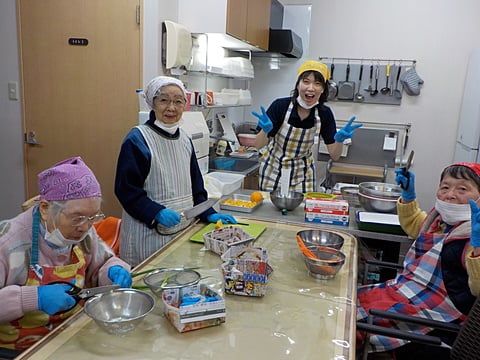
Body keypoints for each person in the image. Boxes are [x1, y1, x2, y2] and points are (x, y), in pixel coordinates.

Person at [0, 157, 132, 353]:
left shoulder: (85, 230)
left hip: (71, 335)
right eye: (77, 218)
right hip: (20, 350)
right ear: (45, 208)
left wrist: (113, 269)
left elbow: (101, 264)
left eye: (93, 216)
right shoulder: (8, 242)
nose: (86, 227)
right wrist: (32, 298)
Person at [357, 162, 480, 359]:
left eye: (462, 189)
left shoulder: (472, 235)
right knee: (344, 304)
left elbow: (477, 287)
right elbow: (415, 223)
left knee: (349, 323)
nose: (450, 194)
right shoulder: (438, 221)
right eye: (445, 187)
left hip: (432, 316)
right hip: (401, 292)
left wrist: (478, 247)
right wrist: (408, 197)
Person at [115, 76, 236, 267]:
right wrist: (156, 212)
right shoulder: (137, 140)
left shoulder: (185, 141)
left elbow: (197, 187)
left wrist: (208, 212)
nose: (171, 108)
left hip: (181, 232)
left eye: (178, 101)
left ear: (184, 106)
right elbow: (126, 190)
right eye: (164, 100)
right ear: (152, 103)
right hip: (147, 236)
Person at [251, 60, 363, 192]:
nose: (310, 88)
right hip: (273, 168)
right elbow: (258, 145)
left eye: (317, 83)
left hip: (303, 173)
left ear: (323, 89)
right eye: (306, 81)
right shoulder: (280, 106)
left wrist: (339, 141)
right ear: (298, 84)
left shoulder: (324, 114)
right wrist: (265, 131)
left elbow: (335, 155)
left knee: (302, 210)